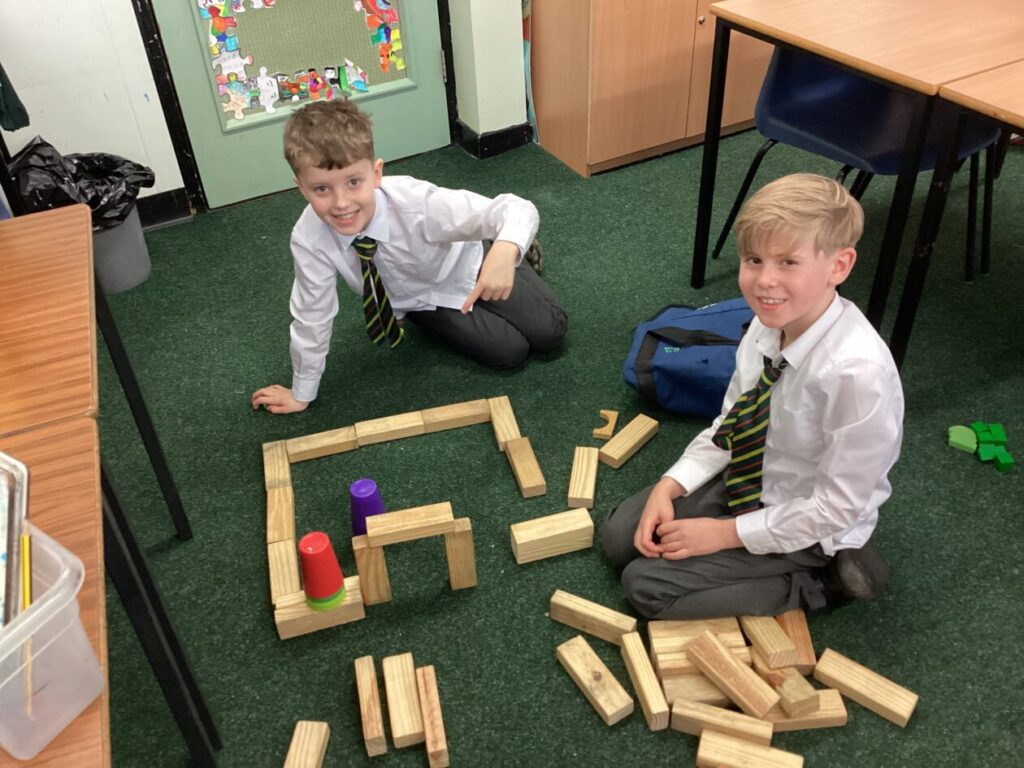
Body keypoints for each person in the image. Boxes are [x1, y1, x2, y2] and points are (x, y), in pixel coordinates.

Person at [601, 173, 903, 619]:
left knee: (645, 587)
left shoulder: (857, 375)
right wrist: (671, 484)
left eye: (788, 262)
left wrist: (723, 535)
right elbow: (731, 425)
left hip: (810, 523)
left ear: (838, 266)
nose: (764, 281)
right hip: (752, 479)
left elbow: (833, 508)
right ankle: (738, 539)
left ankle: (821, 582)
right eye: (754, 260)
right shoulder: (765, 326)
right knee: (618, 538)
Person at [251, 99, 567, 414]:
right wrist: (302, 392)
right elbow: (312, 314)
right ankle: (412, 310)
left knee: (550, 331)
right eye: (321, 189)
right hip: (424, 302)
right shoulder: (309, 238)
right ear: (302, 188)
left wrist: (505, 250)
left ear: (376, 173)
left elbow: (517, 207)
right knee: (510, 352)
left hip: (470, 263)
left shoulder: (415, 201)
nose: (341, 203)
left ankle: (509, 245)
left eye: (353, 182)